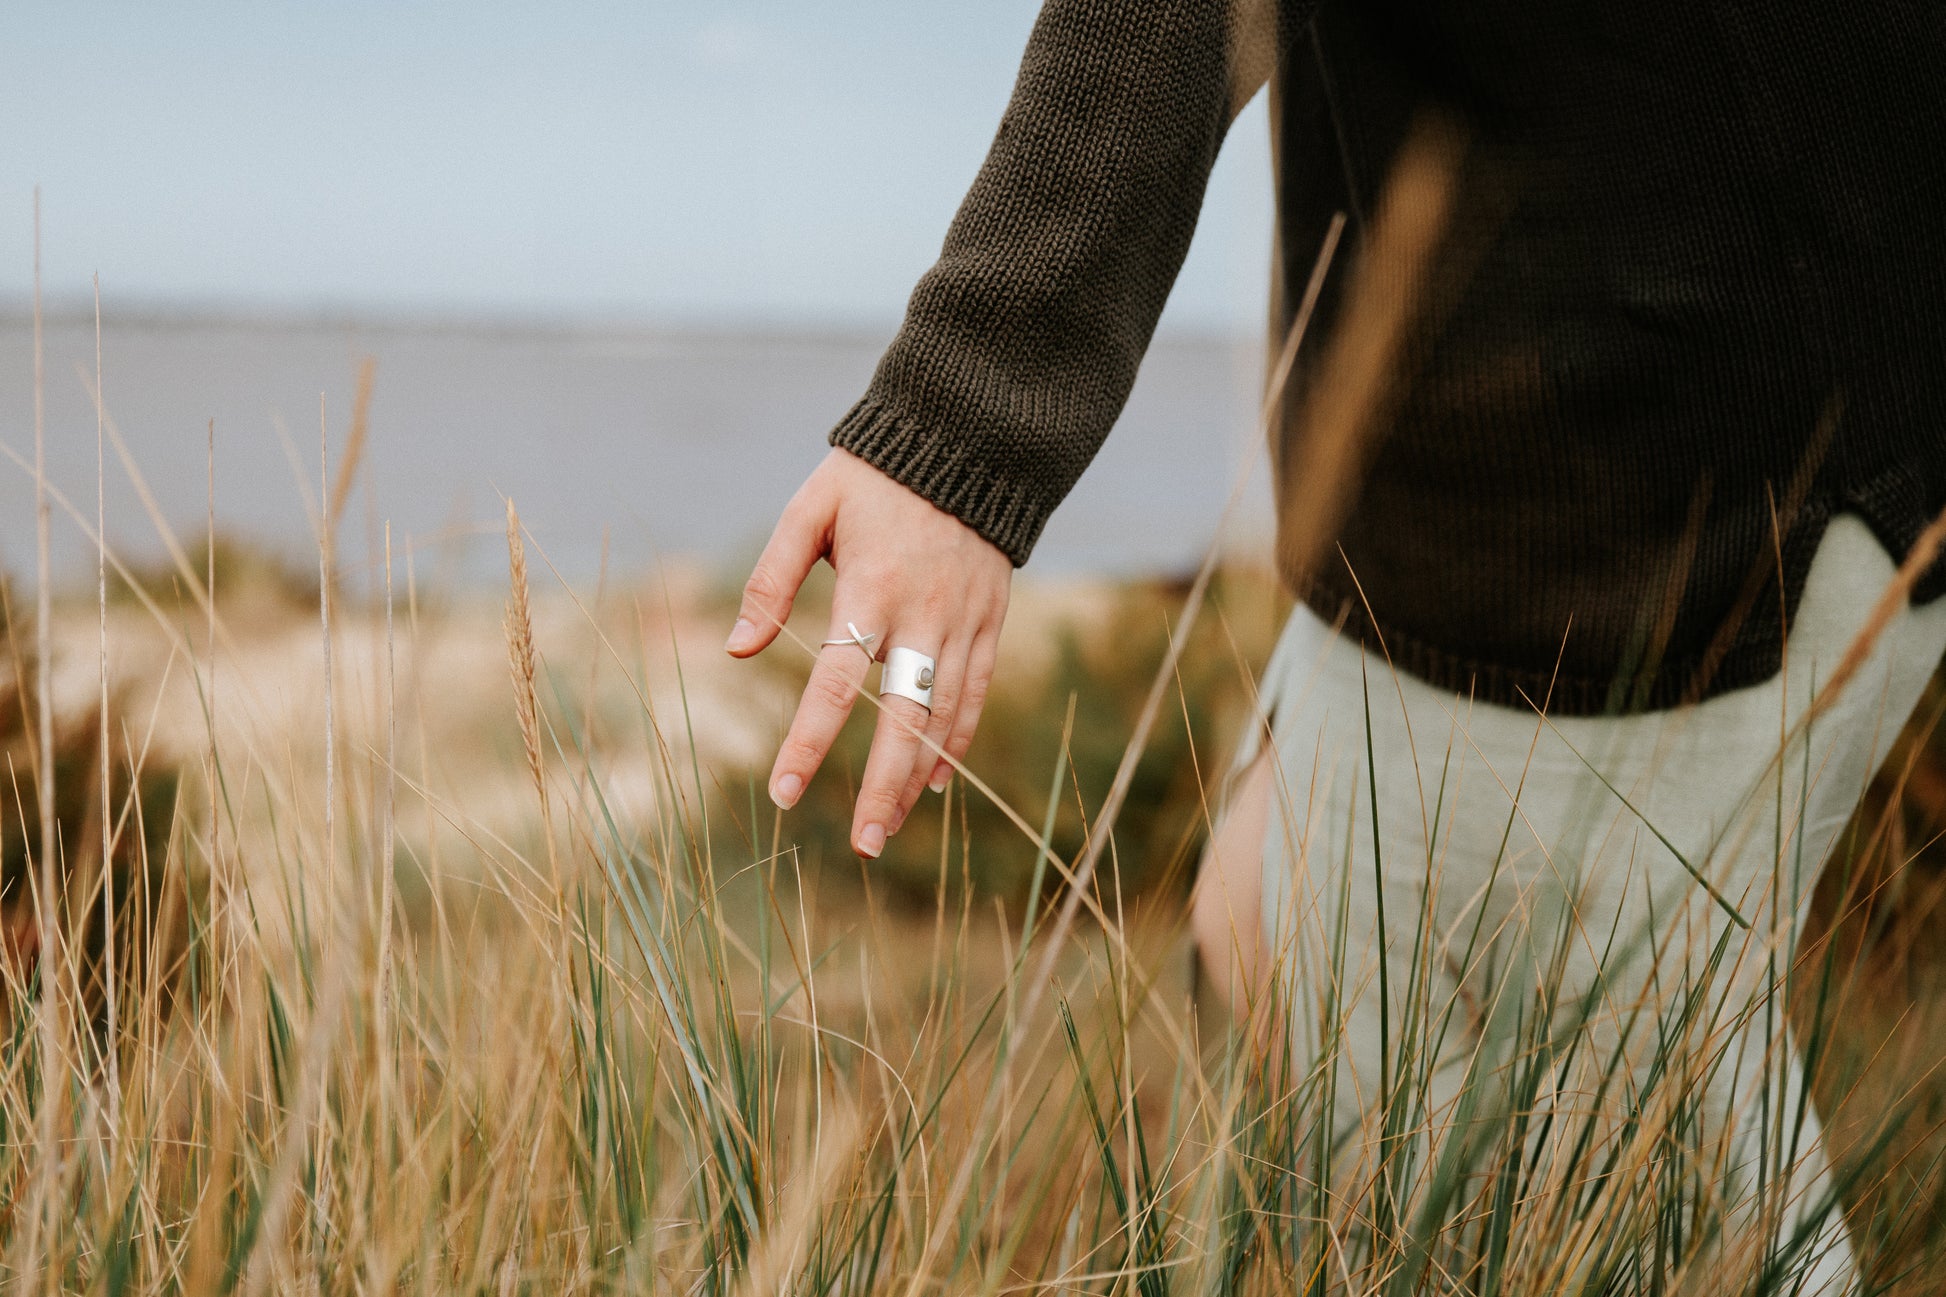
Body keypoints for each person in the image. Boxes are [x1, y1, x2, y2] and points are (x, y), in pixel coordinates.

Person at [725, 2, 1946, 1288]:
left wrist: (962, 420)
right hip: (1595, 423)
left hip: (1634, 482)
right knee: (1260, 920)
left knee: (1636, 1205)